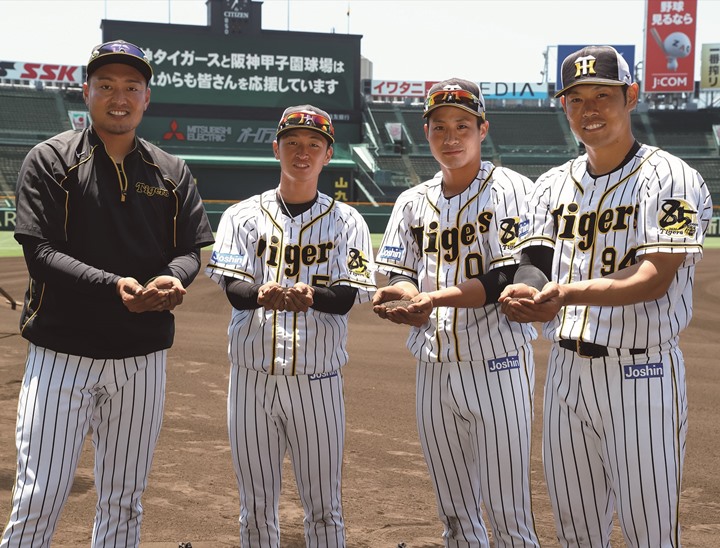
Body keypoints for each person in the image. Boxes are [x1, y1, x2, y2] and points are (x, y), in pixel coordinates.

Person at [2, 39, 214, 547]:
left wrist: (173, 279)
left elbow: (191, 250)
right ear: (86, 93)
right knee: (40, 493)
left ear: (146, 98)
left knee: (123, 498)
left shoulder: (171, 170)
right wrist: (113, 284)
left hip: (141, 360)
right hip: (62, 354)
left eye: (130, 88)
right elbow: (41, 254)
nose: (118, 97)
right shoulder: (50, 159)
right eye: (106, 86)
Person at [500, 45, 713, 547]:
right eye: (577, 99)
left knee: (649, 531)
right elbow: (535, 263)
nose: (589, 109)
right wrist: (525, 291)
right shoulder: (551, 185)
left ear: (631, 96)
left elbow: (653, 276)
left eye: (603, 96)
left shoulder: (672, 178)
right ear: (564, 107)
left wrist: (565, 293)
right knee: (575, 529)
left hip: (642, 373)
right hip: (567, 374)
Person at [372, 78, 540, 547]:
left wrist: (433, 299)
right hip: (434, 366)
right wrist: (403, 296)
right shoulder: (411, 201)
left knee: (509, 512)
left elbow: (508, 276)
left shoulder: (509, 189)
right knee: (455, 511)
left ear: (482, 129)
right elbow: (400, 272)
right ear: (426, 131)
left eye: (462, 126)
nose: (451, 137)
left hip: (499, 364)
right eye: (440, 127)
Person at [205, 105, 376, 547]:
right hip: (251, 380)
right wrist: (262, 293)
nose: (303, 152)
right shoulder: (241, 216)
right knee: (255, 508)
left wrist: (311, 295)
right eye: (294, 143)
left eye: (313, 144)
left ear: (328, 153)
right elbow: (234, 289)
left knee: (324, 507)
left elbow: (343, 300)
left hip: (317, 381)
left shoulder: (348, 221)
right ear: (276, 148)